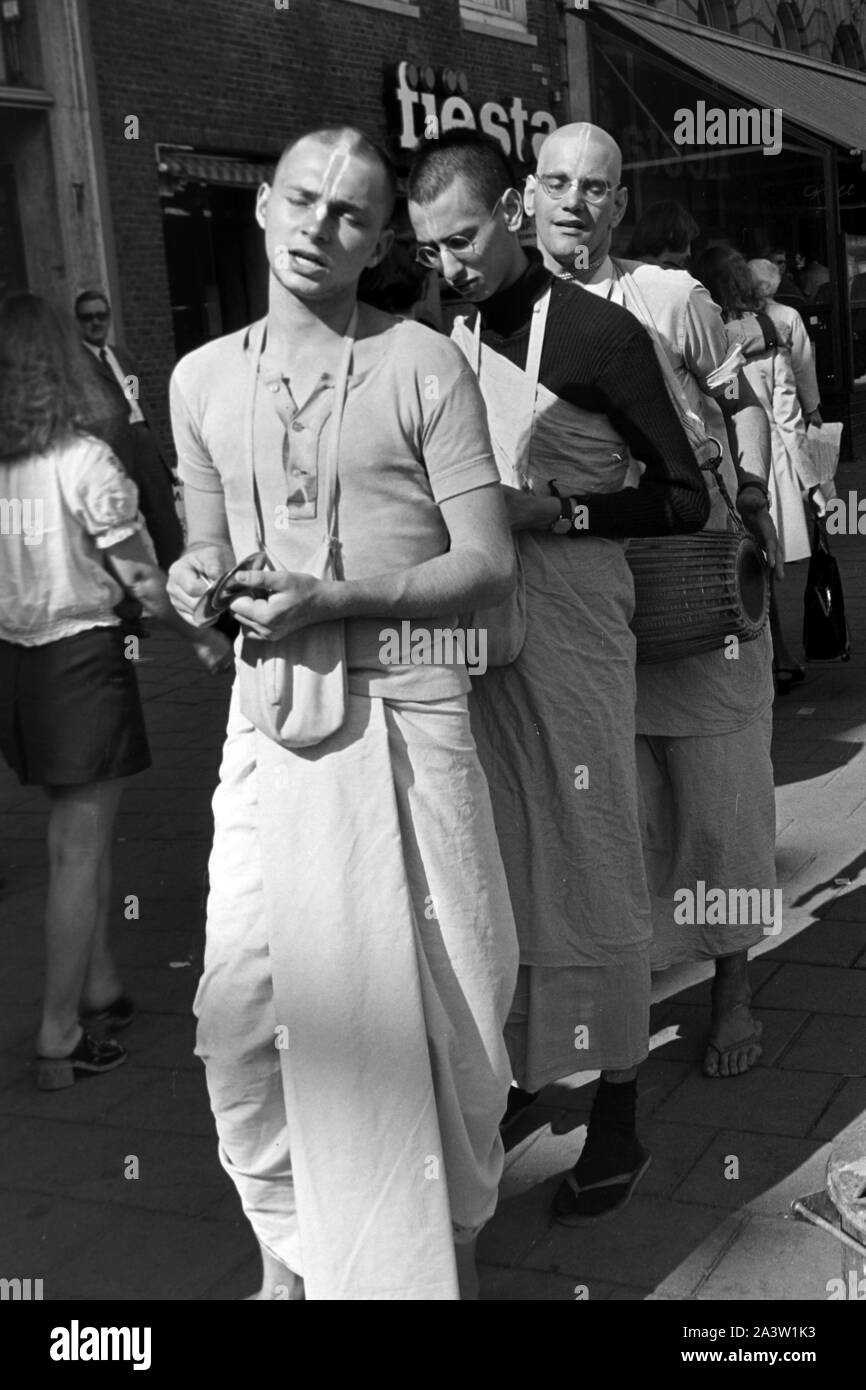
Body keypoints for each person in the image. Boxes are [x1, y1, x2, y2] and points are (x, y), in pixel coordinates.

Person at [166, 125, 520, 1301]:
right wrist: (194, 579)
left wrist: (340, 597)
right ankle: (294, 1254)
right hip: (270, 727)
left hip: (410, 711)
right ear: (263, 205)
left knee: (454, 1007)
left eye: (352, 214)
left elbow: (485, 562)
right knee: (244, 1010)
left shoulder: (424, 364)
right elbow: (209, 544)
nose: (322, 227)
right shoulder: (200, 377)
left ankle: (445, 1252)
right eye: (305, 201)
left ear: (378, 241)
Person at [407, 128, 709, 1223]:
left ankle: (619, 1106)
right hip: (475, 624)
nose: (451, 263)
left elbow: (685, 499)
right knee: (492, 852)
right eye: (432, 246)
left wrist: (561, 509)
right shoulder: (439, 327)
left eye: (466, 237)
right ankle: (528, 1070)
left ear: (515, 208)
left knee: (588, 853)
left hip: (576, 617)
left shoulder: (600, 332)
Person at [540, 142, 779, 1079]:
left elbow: (741, 400)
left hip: (693, 581)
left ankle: (732, 981)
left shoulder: (673, 298)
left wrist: (752, 488)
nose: (574, 201)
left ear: (619, 205)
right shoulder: (504, 316)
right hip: (583, 600)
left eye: (594, 187)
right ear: (529, 196)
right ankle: (622, 985)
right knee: (614, 813)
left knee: (718, 803)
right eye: (557, 183)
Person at [0, 293, 199, 1089]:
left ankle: (101, 984)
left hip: (14, 669)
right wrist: (206, 642)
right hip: (81, 663)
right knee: (76, 853)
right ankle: (57, 1033)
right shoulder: (84, 462)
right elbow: (145, 582)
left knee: (72, 838)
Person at [694, 245, 813, 689]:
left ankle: (761, 655)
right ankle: (777, 654)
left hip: (726, 461)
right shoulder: (772, 327)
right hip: (767, 466)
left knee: (740, 562)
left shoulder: (707, 334)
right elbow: (788, 410)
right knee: (765, 561)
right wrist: (813, 478)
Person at [76, 289, 184, 571]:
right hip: (113, 450)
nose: (96, 323)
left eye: (101, 316)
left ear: (109, 318)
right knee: (118, 530)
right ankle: (129, 609)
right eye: (88, 318)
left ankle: (176, 588)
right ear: (78, 322)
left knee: (166, 524)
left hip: (144, 442)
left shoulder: (123, 358)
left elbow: (137, 399)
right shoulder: (75, 365)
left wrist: (158, 448)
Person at [749, 259, 821, 426]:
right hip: (785, 403)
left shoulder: (739, 317)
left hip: (753, 405)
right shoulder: (789, 315)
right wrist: (812, 408)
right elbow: (802, 365)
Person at [627, 200, 698, 271]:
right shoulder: (675, 278)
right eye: (687, 242)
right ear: (672, 234)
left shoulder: (625, 271)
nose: (689, 253)